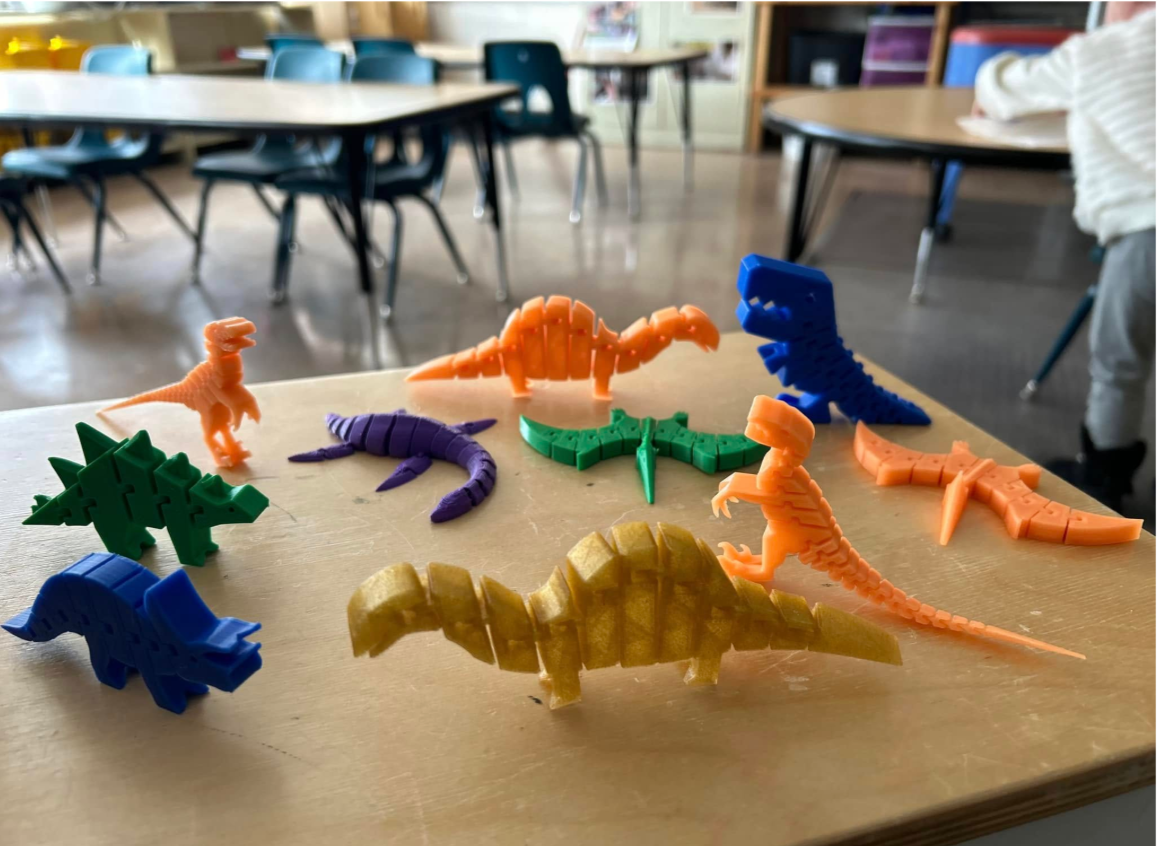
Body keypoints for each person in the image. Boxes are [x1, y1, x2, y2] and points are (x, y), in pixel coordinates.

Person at [973, 3, 1155, 514]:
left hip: (1147, 235)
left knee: (1120, 361)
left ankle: (1104, 479)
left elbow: (1001, 88)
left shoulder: (1096, 53)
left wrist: (993, 72)